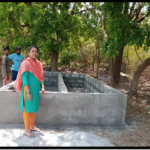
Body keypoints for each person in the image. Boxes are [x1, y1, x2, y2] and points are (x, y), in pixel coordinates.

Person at [14, 45, 45, 138]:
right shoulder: (26, 63)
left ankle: (32, 126)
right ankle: (27, 130)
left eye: (36, 51)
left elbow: (41, 77)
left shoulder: (38, 64)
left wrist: (42, 87)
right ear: (28, 53)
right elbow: (24, 78)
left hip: (35, 90)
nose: (34, 53)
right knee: (27, 109)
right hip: (28, 90)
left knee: (33, 108)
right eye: (32, 51)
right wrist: (28, 92)